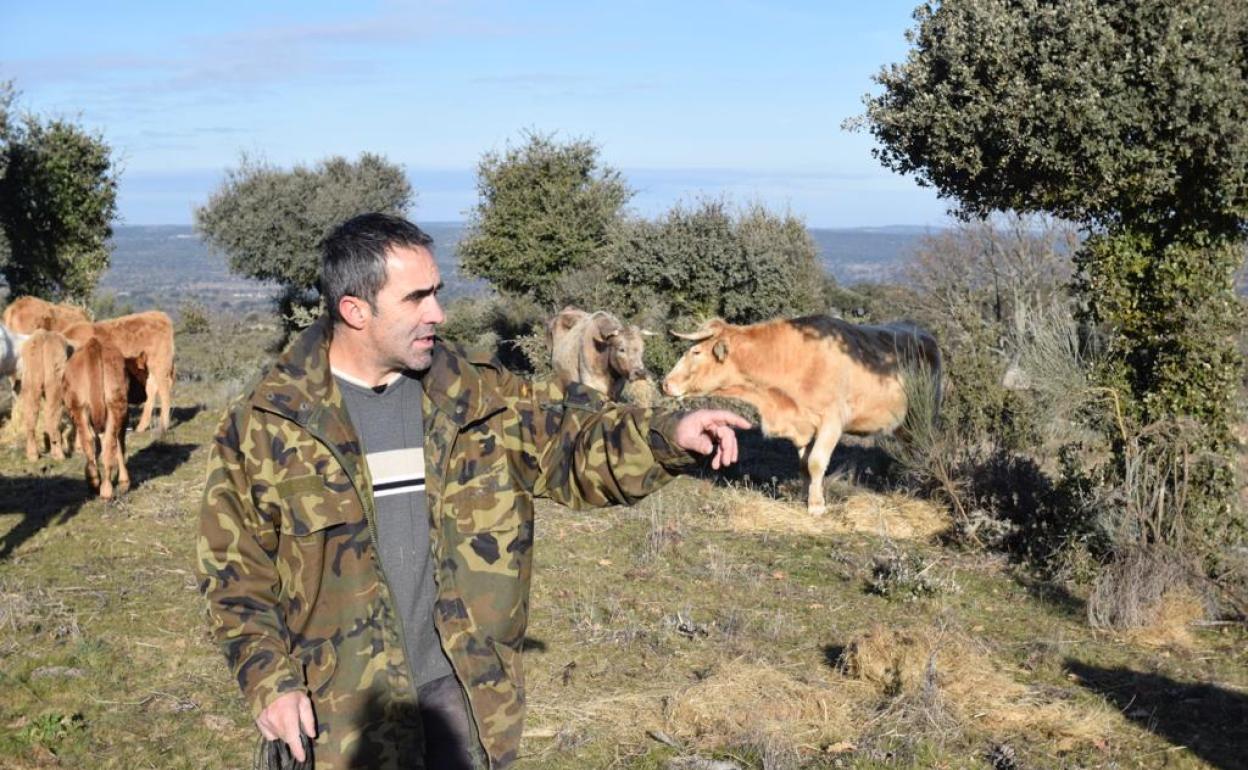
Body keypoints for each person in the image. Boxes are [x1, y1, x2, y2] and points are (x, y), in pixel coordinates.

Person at [196, 213, 750, 769]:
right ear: (355, 310)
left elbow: (575, 441)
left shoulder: (478, 398)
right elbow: (234, 575)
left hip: (464, 696)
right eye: (416, 298)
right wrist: (269, 681)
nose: (437, 312)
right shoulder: (267, 425)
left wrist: (665, 436)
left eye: (436, 292)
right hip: (341, 718)